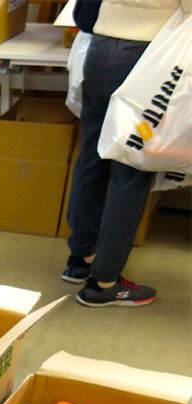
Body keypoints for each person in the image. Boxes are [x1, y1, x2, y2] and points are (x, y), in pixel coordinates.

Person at [59, 0, 185, 307]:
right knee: (131, 168)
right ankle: (104, 283)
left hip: (100, 46)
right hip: (147, 55)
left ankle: (82, 257)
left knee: (93, 154)